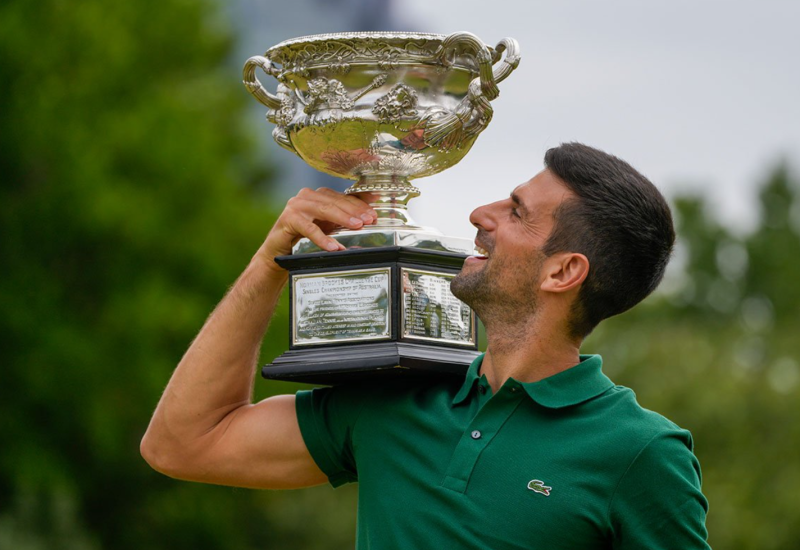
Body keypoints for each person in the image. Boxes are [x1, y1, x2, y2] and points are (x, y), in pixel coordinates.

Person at [141, 142, 711, 549]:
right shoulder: (394, 395)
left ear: (563, 271)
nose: (479, 215)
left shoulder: (642, 452)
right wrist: (274, 258)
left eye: (515, 212)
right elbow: (183, 444)